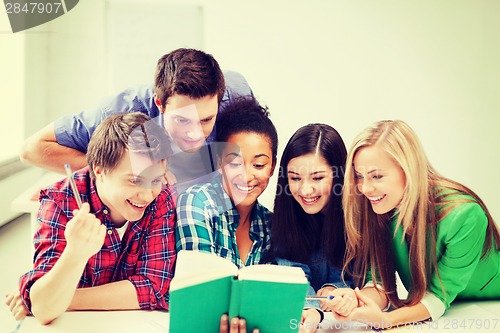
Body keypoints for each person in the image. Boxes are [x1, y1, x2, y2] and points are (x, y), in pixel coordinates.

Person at [5, 112, 177, 324]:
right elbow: (44, 309)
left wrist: (64, 297)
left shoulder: (162, 198)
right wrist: (75, 253)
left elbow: (154, 286)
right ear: (100, 170)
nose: (147, 194)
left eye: (156, 180)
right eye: (134, 181)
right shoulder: (60, 201)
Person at [333, 120, 500, 329]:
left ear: (408, 170)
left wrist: (386, 320)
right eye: (359, 176)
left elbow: (437, 298)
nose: (365, 188)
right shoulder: (381, 208)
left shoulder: (465, 215)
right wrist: (354, 300)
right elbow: (378, 283)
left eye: (376, 176)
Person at [20, 48, 253, 192]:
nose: (195, 134)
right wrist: (127, 171)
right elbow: (34, 149)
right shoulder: (122, 111)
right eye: (182, 120)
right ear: (159, 104)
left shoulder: (236, 95)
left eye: (205, 120)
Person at [175, 96, 277, 267]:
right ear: (219, 162)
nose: (246, 176)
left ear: (272, 167)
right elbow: (200, 284)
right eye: (235, 163)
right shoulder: (197, 202)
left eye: (258, 165)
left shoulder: (271, 225)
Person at [270, 124, 353, 332]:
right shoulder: (286, 217)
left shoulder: (357, 218)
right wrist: (312, 309)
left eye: (317, 178)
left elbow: (360, 278)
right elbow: (294, 274)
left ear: (338, 176)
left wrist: (335, 291)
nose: (305, 190)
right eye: (295, 178)